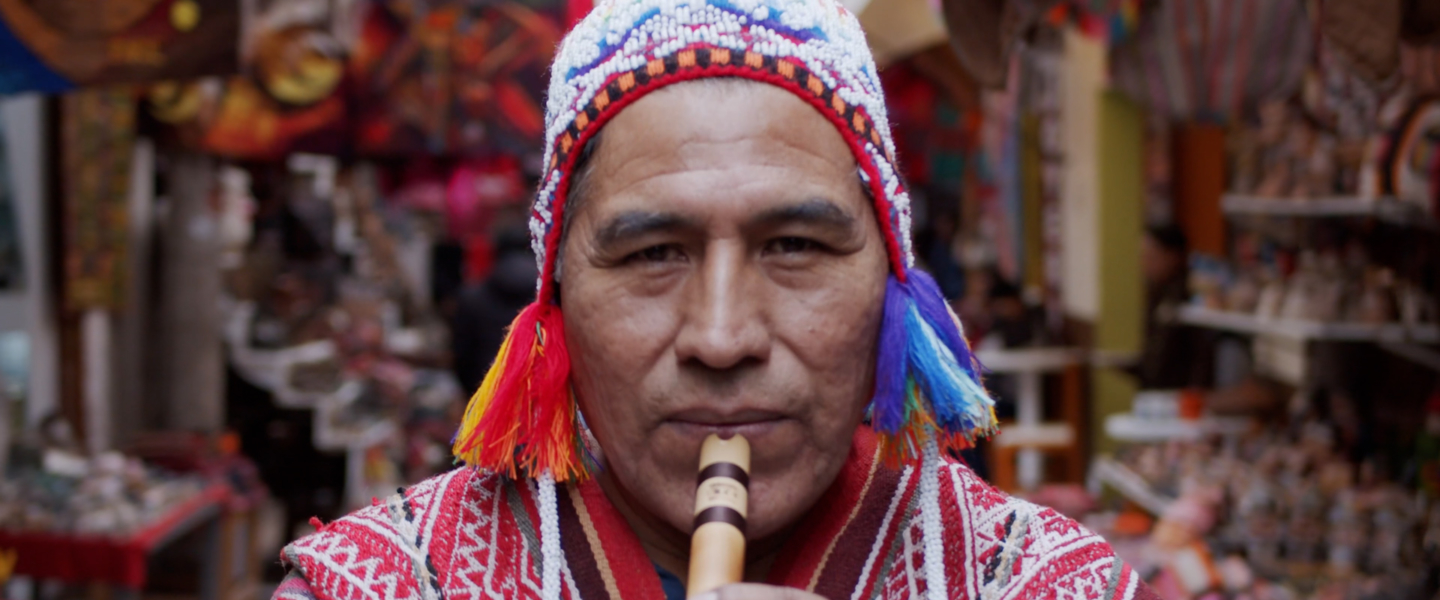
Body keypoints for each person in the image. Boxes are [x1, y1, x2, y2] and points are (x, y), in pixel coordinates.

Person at [274, 0, 1158, 598]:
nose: (723, 336)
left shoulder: (1049, 585)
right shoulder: (380, 584)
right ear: (555, 299)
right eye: (653, 253)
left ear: (896, 291)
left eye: (796, 247)